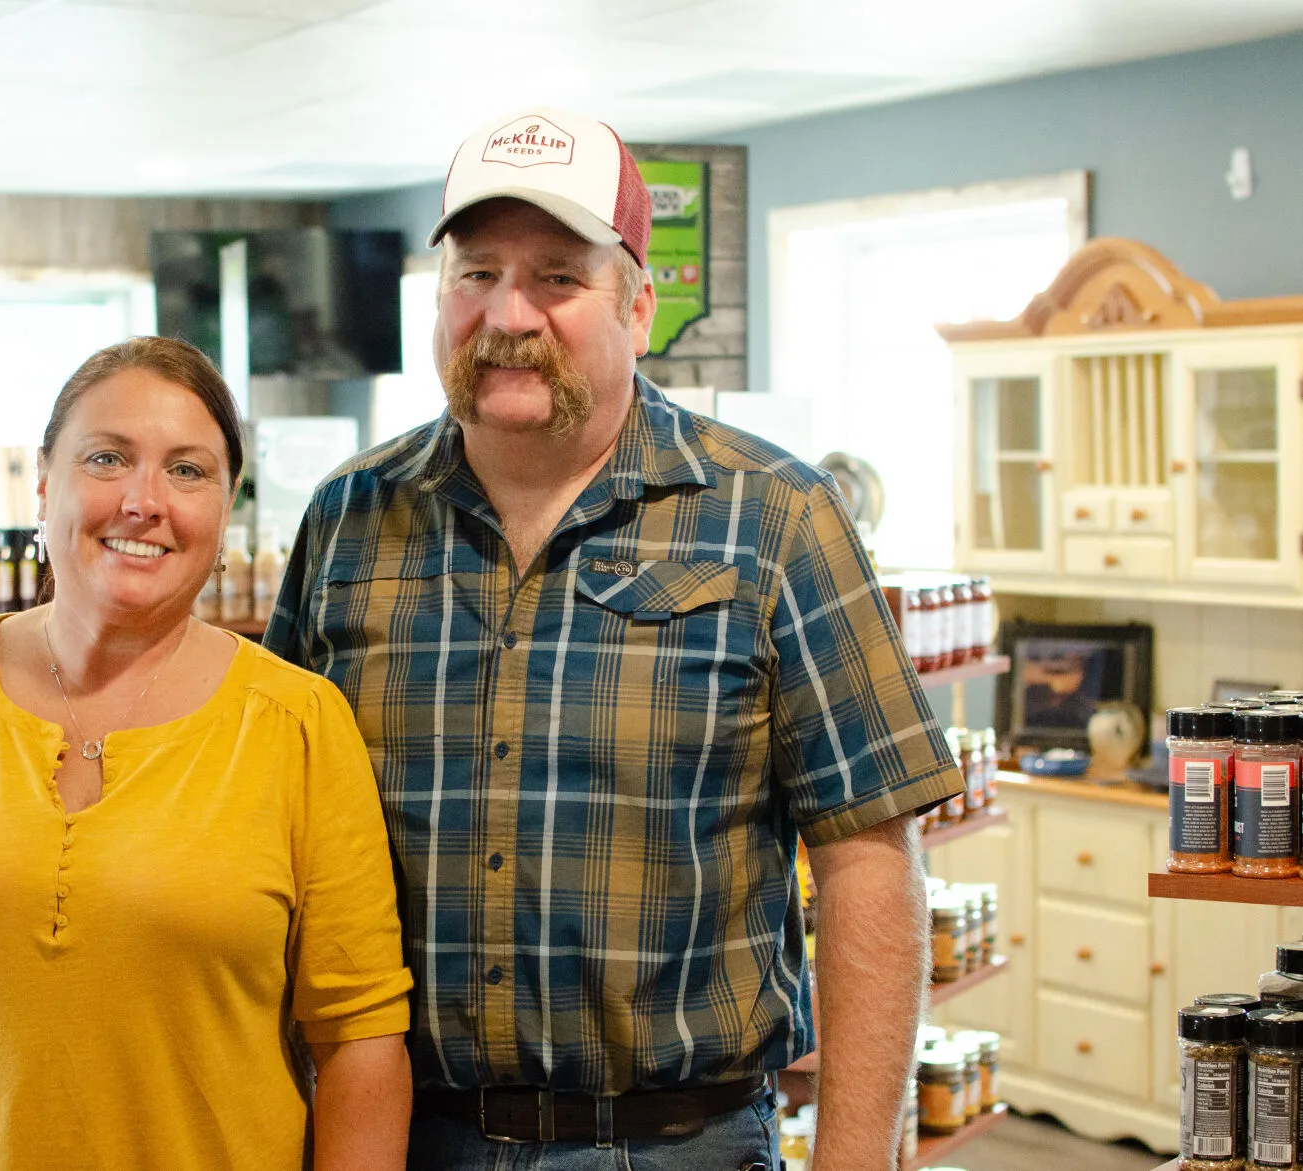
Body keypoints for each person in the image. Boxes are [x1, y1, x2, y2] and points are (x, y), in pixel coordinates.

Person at [262, 107, 964, 1171]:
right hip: (394, 1134)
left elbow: (866, 857)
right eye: (475, 272)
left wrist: (857, 1156)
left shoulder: (775, 517)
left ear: (636, 306)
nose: (509, 312)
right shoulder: (348, 519)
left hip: (673, 1142)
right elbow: (273, 830)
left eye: (556, 276)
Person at [0, 337, 414, 1171]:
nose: (144, 501)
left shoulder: (296, 723)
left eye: (188, 470)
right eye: (107, 457)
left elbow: (360, 1036)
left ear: (225, 509)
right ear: (43, 482)